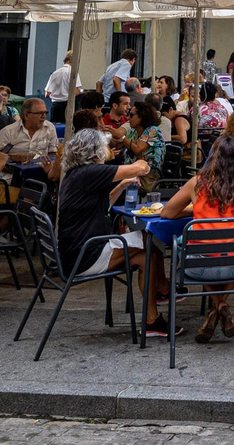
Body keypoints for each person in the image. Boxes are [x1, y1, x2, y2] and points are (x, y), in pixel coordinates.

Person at [56, 129, 176, 337]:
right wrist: (141, 161)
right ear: (95, 152)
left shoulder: (77, 174)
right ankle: (161, 295)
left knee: (147, 247)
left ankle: (155, 311)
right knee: (147, 244)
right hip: (86, 254)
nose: (108, 152)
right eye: (104, 148)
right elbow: (139, 167)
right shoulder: (90, 172)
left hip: (77, 250)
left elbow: (102, 206)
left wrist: (121, 185)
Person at [159, 134, 234, 343]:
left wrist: (194, 209)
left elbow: (167, 213)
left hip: (198, 267)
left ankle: (216, 309)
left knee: (201, 249)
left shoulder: (197, 184)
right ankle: (220, 306)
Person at [0, 97, 60, 175]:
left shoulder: (49, 128)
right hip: (13, 176)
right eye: (39, 113)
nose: (43, 116)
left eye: (45, 113)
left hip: (41, 174)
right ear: (26, 115)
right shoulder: (8, 132)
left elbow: (53, 153)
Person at [125, 101, 166, 189]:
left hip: (147, 176)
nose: (128, 118)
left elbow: (137, 149)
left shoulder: (153, 130)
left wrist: (121, 137)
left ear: (142, 117)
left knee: (110, 181)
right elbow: (117, 145)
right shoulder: (133, 131)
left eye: (131, 115)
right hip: (130, 171)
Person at [44, 51, 77, 124]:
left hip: (55, 105)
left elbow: (47, 94)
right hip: (67, 104)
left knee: (54, 127)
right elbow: (77, 91)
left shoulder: (55, 73)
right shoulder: (73, 72)